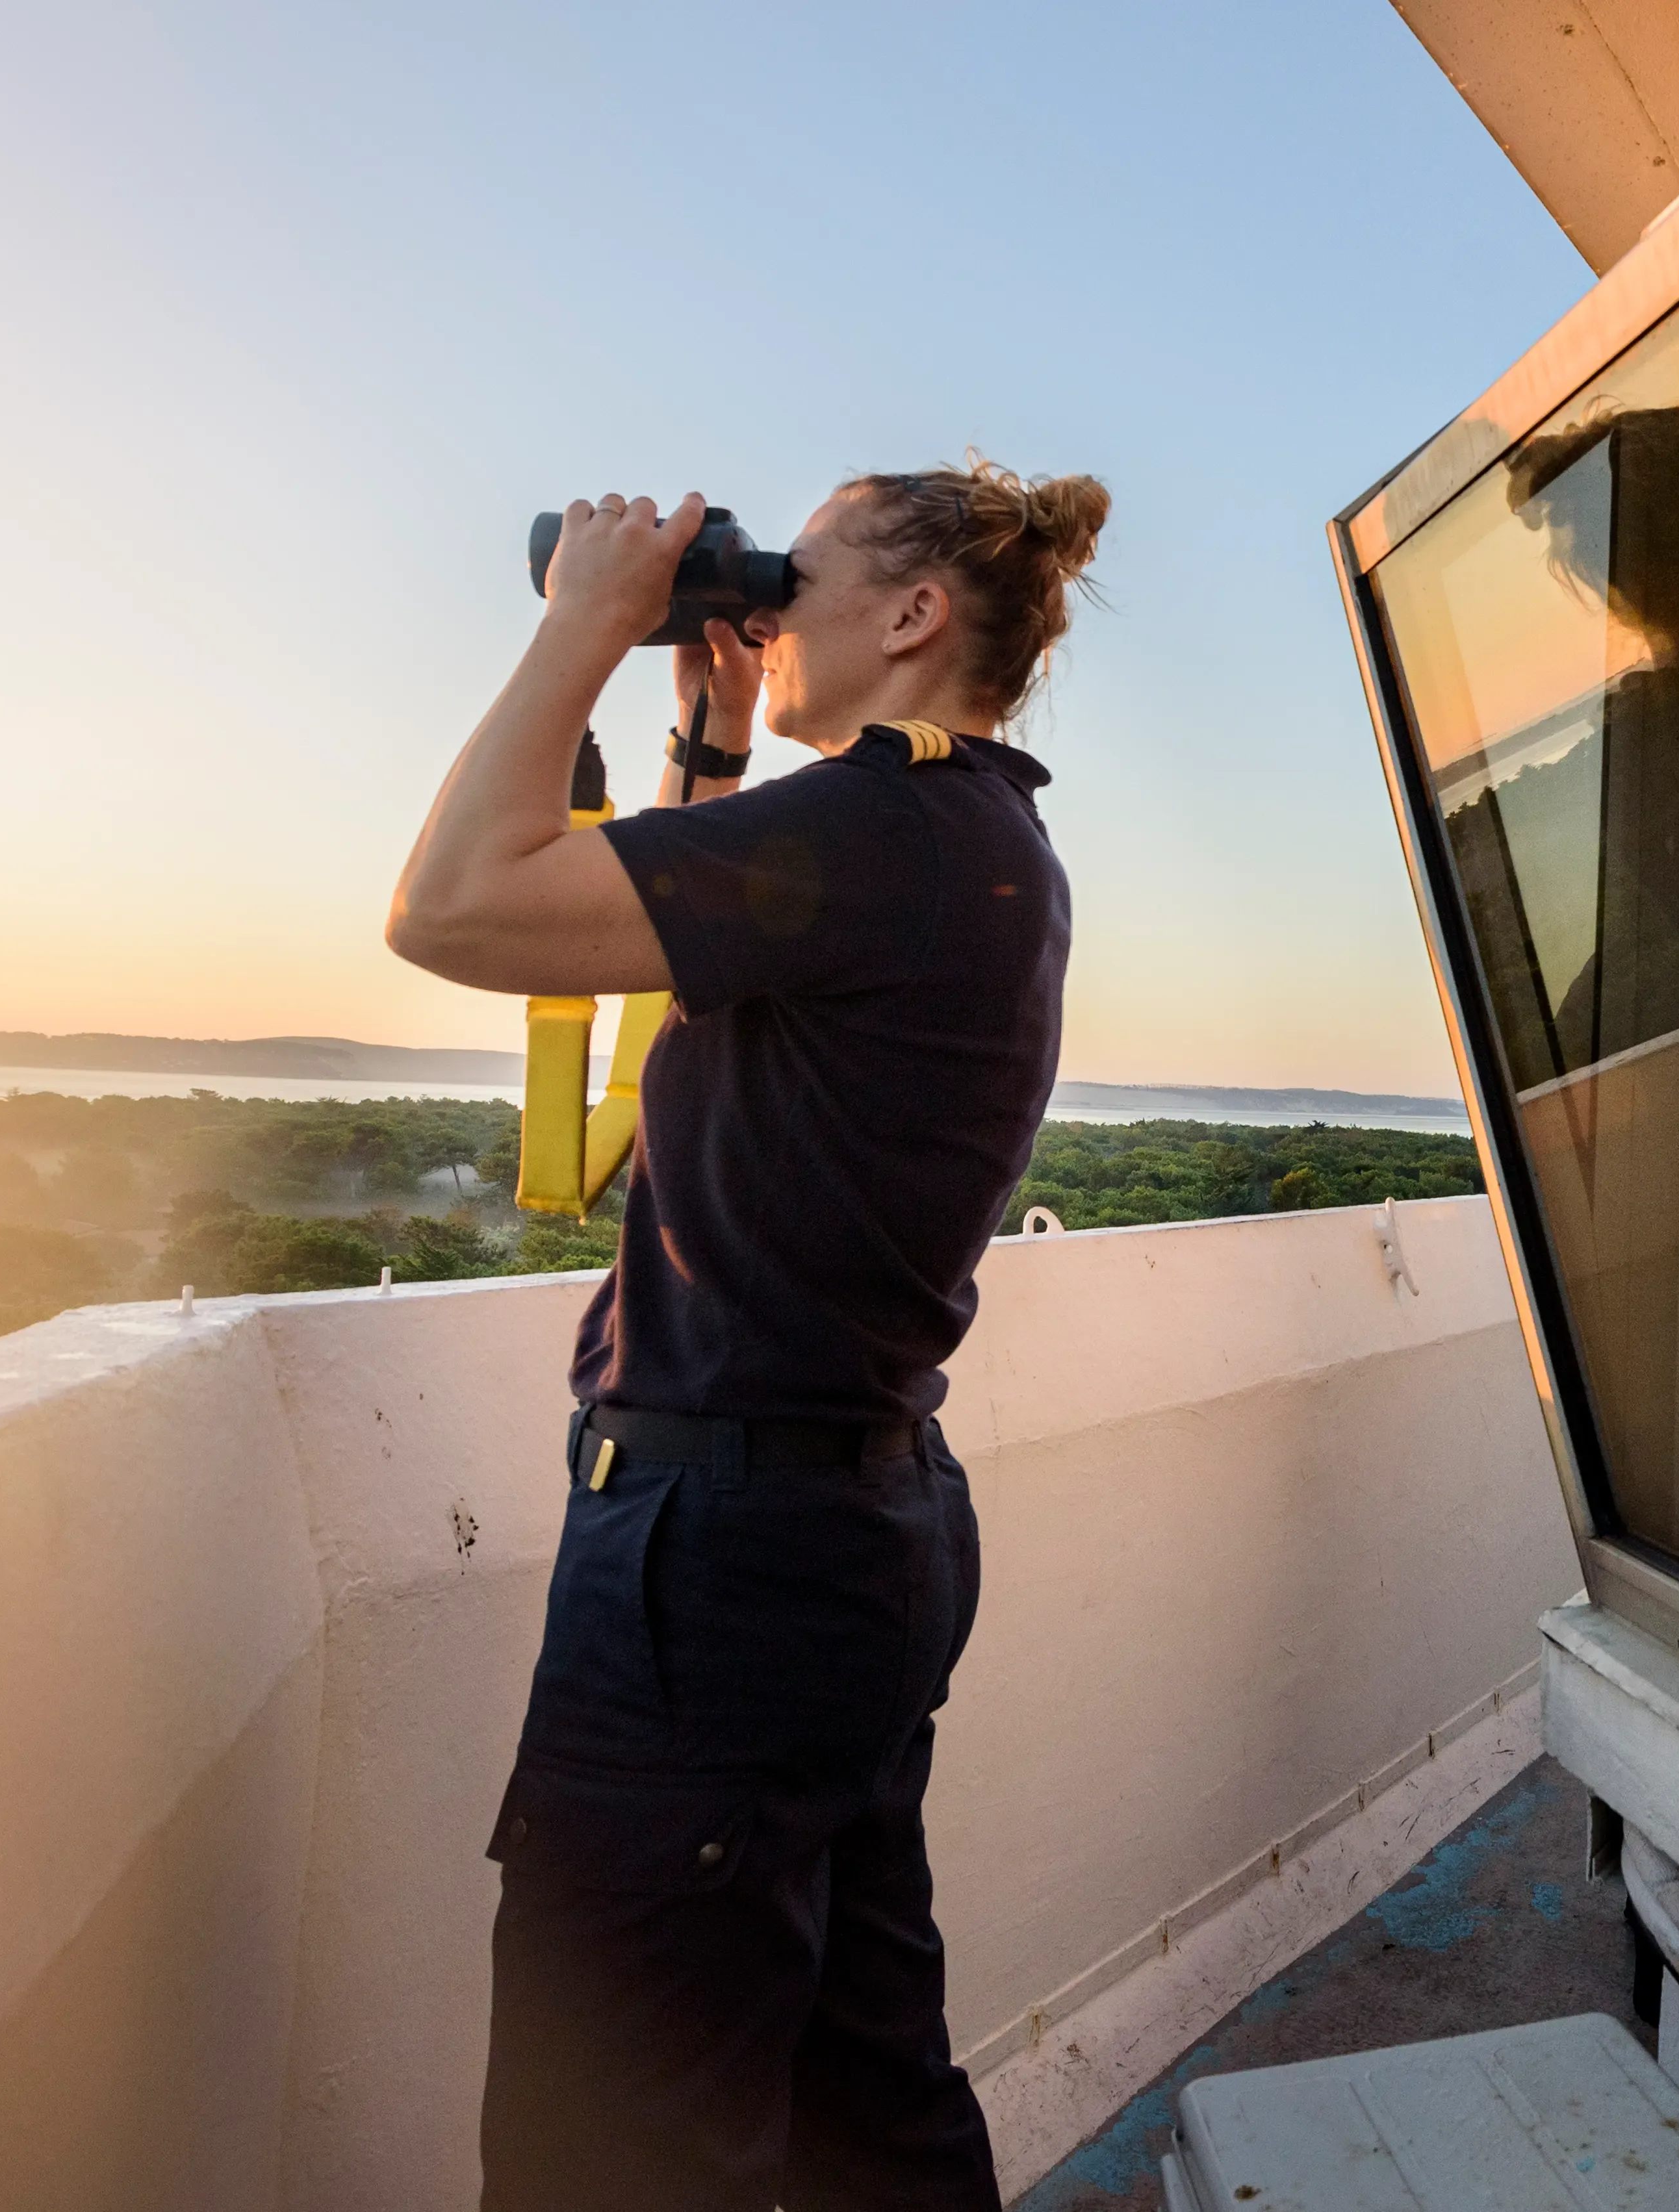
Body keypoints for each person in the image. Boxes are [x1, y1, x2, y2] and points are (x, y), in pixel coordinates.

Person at [386, 455, 1108, 2211]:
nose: (764, 604)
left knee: (610, 2138)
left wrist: (584, 625)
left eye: (801, 573)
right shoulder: (970, 833)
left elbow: (453, 906)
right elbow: (660, 983)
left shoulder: (874, 827)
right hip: (844, 1533)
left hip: (720, 1566)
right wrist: (707, 745)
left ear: (914, 615)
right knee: (864, 2098)